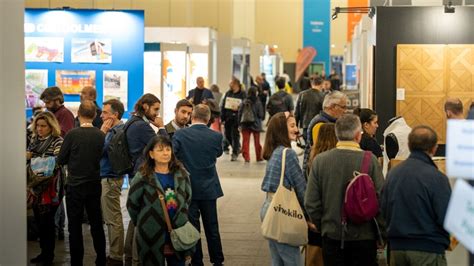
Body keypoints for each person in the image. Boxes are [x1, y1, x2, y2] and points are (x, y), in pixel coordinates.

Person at [305, 114, 385, 266]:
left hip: (332, 236)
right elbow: (381, 199)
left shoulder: (320, 161)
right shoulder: (371, 160)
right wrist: (381, 233)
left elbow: (311, 202)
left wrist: (324, 225)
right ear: (357, 135)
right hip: (364, 236)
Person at [381, 125, 451, 266]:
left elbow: (383, 209)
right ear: (434, 148)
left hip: (397, 249)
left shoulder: (393, 174)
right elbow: (446, 217)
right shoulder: (437, 177)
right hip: (428, 249)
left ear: (409, 145)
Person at [127, 136, 194, 266]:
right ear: (151, 154)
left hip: (178, 231)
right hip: (151, 233)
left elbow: (188, 198)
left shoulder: (181, 174)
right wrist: (144, 221)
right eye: (160, 150)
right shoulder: (143, 176)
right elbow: (132, 204)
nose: (165, 153)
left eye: (168, 149)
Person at [173, 104, 225, 266]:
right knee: (212, 227)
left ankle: (197, 261)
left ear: (191, 116)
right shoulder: (216, 136)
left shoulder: (180, 135)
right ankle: (217, 260)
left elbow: (174, 155)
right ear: (209, 118)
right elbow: (218, 153)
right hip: (210, 188)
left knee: (193, 227)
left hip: (189, 189)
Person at [57, 100, 106, 266]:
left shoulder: (72, 134)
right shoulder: (101, 135)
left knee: (75, 226)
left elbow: (61, 159)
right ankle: (100, 259)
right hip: (94, 184)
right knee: (96, 223)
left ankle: (76, 261)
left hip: (75, 185)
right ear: (95, 115)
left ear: (78, 114)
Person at [260, 112, 308, 265]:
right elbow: (301, 189)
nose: (297, 130)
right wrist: (311, 216)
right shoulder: (288, 154)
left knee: (277, 260)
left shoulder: (275, 151)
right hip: (283, 211)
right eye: (292, 126)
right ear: (281, 129)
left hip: (269, 207)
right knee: (292, 261)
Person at [124, 93, 166, 265]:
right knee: (141, 221)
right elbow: (164, 149)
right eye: (155, 109)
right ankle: (136, 259)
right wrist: (162, 128)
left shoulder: (132, 122)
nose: (157, 113)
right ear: (145, 106)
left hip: (135, 172)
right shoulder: (142, 126)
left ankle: (129, 256)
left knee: (136, 220)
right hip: (144, 175)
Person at [27, 111, 64, 265]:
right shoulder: (34, 139)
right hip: (35, 187)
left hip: (51, 187)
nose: (40, 129)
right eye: (38, 126)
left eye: (43, 126)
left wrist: (34, 157)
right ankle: (43, 253)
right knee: (39, 221)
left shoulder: (58, 141)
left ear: (51, 126)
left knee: (48, 223)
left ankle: (48, 255)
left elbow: (57, 161)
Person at [40, 86, 73, 241]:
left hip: (59, 161)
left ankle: (56, 230)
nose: (46, 104)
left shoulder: (65, 114)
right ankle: (56, 229)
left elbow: (64, 136)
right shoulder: (53, 113)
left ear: (58, 99)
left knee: (56, 197)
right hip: (50, 161)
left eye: (48, 101)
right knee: (54, 198)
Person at [304, 123, 337, 266]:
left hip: (315, 219)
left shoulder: (312, 160)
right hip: (332, 219)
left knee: (314, 257)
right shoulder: (334, 161)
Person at [99, 99, 126, 266]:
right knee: (110, 217)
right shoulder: (114, 130)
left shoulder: (116, 132)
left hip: (111, 177)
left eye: (105, 112)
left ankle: (116, 256)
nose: (101, 115)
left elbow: (98, 150)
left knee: (113, 218)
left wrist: (101, 133)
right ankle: (115, 254)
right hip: (107, 176)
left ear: (115, 115)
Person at [303, 91, 348, 173]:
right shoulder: (320, 124)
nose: (346, 111)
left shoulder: (329, 122)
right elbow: (322, 153)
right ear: (333, 107)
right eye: (343, 107)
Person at [221, 77, 247, 161]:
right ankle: (237, 147)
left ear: (236, 84)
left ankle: (235, 153)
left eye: (231, 83)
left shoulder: (243, 94)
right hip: (228, 117)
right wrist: (222, 118)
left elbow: (246, 105)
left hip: (237, 118)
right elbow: (223, 105)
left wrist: (239, 108)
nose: (229, 84)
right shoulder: (228, 93)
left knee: (235, 136)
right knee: (227, 135)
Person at [238, 86, 264, 163]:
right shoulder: (258, 102)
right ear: (255, 93)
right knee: (257, 142)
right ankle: (258, 157)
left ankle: (247, 157)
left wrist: (239, 123)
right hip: (256, 124)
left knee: (245, 141)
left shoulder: (244, 102)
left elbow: (240, 113)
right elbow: (261, 115)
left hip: (245, 124)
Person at [295, 76, 324, 142]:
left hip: (306, 125)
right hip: (318, 126)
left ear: (311, 84)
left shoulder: (301, 94)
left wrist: (295, 126)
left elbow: (296, 113)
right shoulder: (323, 96)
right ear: (321, 85)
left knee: (307, 146)